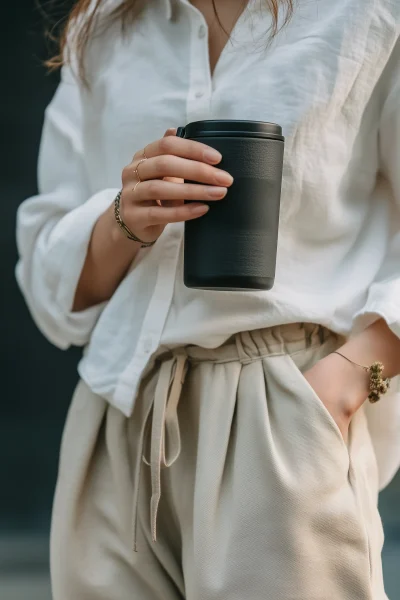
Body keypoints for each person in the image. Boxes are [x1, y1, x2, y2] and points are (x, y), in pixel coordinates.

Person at [16, 0, 400, 597]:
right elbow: (48, 282)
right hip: (118, 414)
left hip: (283, 415)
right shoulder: (105, 22)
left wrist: (343, 387)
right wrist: (123, 219)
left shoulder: (367, 13)